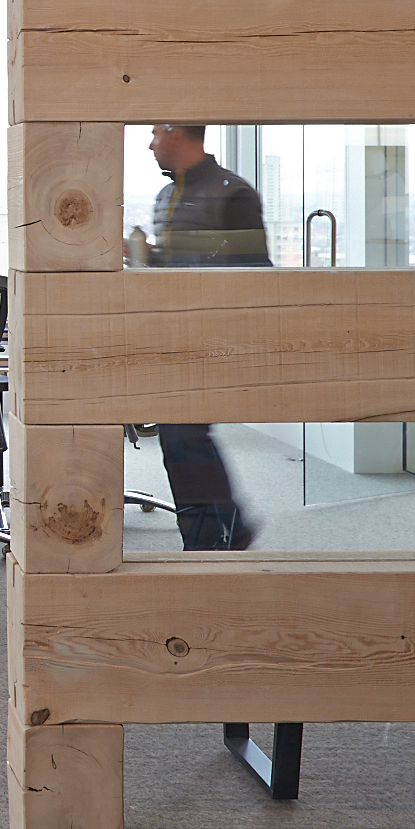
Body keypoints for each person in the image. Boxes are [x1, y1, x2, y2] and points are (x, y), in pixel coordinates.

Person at [130, 123, 268, 550]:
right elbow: (178, 267)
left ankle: (209, 539)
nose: (150, 143)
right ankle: (226, 528)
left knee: (185, 436)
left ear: (176, 134)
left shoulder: (233, 193)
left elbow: (254, 272)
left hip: (214, 336)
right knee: (179, 438)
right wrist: (143, 256)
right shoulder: (167, 197)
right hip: (173, 335)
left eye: (155, 133)